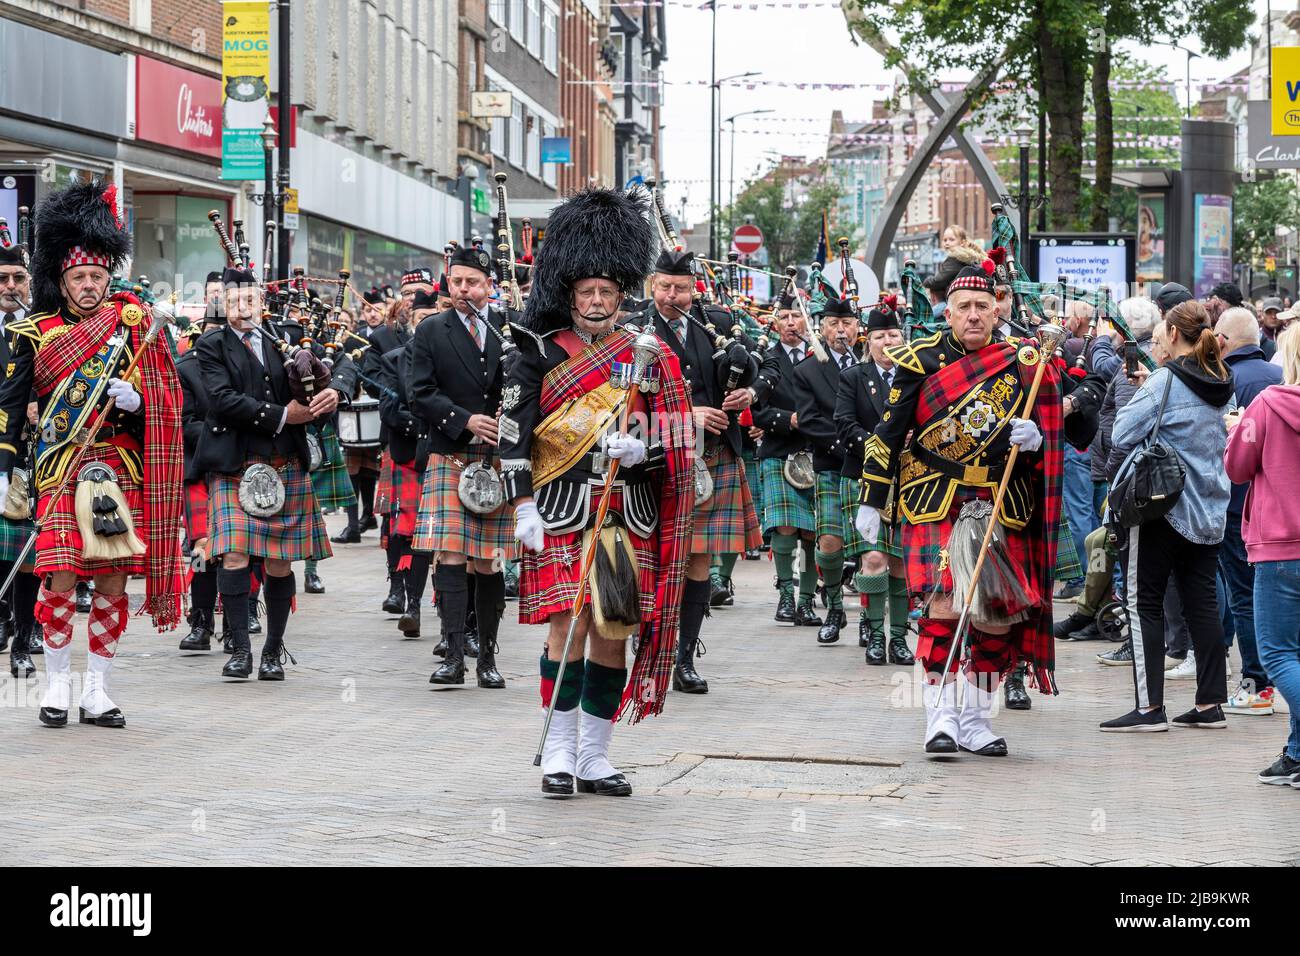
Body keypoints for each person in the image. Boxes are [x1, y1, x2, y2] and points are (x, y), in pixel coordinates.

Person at [499, 186, 693, 797]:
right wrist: (521, 501)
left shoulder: (650, 352)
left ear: (622, 293)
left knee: (614, 628)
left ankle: (595, 754)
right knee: (569, 626)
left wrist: (644, 450)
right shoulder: (534, 352)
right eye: (587, 292)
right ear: (569, 293)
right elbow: (512, 432)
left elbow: (679, 434)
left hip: (624, 509)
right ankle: (558, 749)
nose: (597, 301)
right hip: (560, 509)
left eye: (607, 292)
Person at [855, 258, 1065, 757]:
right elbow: (887, 437)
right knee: (946, 606)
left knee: (995, 613)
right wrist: (872, 498)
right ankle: (940, 716)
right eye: (964, 307)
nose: (974, 315)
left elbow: (1059, 431)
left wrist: (1035, 439)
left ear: (997, 312)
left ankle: (974, 719)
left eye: (983, 307)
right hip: (936, 498)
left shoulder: (1024, 364)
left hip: (999, 499)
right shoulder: (918, 359)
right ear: (946, 313)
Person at [0, 180, 185, 727]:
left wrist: (140, 400)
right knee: (59, 573)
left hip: (118, 468)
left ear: (110, 277)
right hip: (60, 469)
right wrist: (4, 465)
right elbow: (11, 409)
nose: (88, 286)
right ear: (62, 279)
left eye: (97, 277)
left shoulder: (134, 331)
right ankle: (58, 683)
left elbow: (172, 404)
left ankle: (97, 688)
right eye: (79, 277)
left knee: (110, 578)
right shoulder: (34, 332)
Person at [624, 250, 765, 695]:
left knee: (699, 561)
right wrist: (689, 416)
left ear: (693, 288)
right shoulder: (633, 332)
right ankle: (649, 646)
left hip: (713, 459)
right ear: (652, 285)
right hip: (655, 460)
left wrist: (750, 391)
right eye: (664, 287)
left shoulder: (718, 324)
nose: (672, 296)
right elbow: (626, 412)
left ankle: (684, 657)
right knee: (654, 559)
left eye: (680, 288)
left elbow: (769, 362)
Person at [194, 265, 343, 682]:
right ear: (224, 303)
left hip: (285, 464)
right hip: (236, 466)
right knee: (235, 555)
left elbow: (313, 386)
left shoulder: (287, 341)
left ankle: (273, 650)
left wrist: (332, 394)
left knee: (280, 563)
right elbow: (222, 400)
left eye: (251, 298)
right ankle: (240, 648)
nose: (244, 306)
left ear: (262, 302)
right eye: (235, 299)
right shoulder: (212, 345)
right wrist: (282, 415)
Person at [1101, 300, 1234, 732]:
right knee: (1203, 604)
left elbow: (1122, 431)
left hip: (1162, 505)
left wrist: (1146, 390)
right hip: (1210, 505)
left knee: (1144, 604)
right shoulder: (1220, 378)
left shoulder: (1164, 380)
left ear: (1173, 335)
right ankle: (1211, 702)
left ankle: (1148, 707)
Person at [408, 245, 514, 689]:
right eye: (456, 282)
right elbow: (420, 392)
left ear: (489, 285)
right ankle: (453, 655)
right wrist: (463, 419)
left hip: (494, 458)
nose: (463, 290)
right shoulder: (432, 331)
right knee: (450, 554)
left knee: (489, 561)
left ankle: (487, 658)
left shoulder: (510, 330)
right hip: (451, 453)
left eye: (472, 282)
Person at [1225, 325, 1300, 785]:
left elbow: (1235, 467)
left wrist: (1237, 429)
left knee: (1276, 655)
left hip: (1279, 544)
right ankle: (1296, 752)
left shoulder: (1269, 404)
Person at [835, 296, 913, 665]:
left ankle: (898, 639)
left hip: (909, 481)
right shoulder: (853, 377)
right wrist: (878, 447)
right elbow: (844, 422)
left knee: (898, 563)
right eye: (881, 335)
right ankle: (874, 634)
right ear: (868, 340)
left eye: (894, 334)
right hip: (865, 478)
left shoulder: (916, 376)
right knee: (874, 557)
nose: (888, 342)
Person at [1213, 306, 1282, 715]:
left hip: (1239, 502)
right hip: (1277, 506)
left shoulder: (1228, 380)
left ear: (1224, 340)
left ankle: (1257, 681)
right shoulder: (1280, 378)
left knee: (1244, 594)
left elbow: (1230, 455)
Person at [791, 296, 865, 647]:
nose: (841, 330)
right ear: (821, 328)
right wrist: (850, 444)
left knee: (871, 546)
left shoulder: (871, 363)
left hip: (869, 466)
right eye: (834, 323)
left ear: (857, 327)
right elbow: (809, 420)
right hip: (832, 464)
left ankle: (870, 615)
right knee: (830, 542)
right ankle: (835, 606)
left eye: (847, 323)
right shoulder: (807, 371)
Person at [751, 294, 821, 627]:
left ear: (807, 320)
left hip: (816, 452)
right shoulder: (766, 358)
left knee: (810, 533)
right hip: (779, 450)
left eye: (797, 315)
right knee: (785, 527)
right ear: (775, 323)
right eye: (785, 316)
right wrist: (788, 420)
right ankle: (784, 596)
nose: (791, 322)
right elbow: (756, 411)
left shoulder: (820, 357)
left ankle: (806, 600)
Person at [375, 288, 438, 638]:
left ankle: (428, 605)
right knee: (406, 531)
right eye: (420, 320)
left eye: (432, 319)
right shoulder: (394, 359)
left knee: (434, 538)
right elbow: (388, 410)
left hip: (441, 453)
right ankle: (405, 596)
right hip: (408, 453)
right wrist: (425, 425)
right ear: (410, 323)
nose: (426, 325)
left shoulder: (449, 356)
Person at [0, 229, 41, 679]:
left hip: (31, 456)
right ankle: (3, 619)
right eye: (3, 278)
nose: (11, 286)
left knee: (28, 550)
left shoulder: (43, 330)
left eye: (19, 278)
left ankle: (24, 638)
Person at [176, 303, 225, 653]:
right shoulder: (187, 368)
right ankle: (201, 621)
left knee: (242, 549)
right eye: (212, 327)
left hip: (241, 468)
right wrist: (224, 432)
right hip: (201, 468)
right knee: (201, 551)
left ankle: (244, 617)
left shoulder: (246, 365)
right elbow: (185, 422)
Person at [924, 225, 985, 301]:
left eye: (951, 240)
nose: (947, 243)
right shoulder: (970, 258)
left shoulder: (954, 259)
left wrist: (926, 281)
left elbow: (938, 281)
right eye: (945, 240)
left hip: (957, 300)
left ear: (962, 243)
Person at [1257, 296, 1282, 361]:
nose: (1273, 316)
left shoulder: (1290, 335)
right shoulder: (1257, 336)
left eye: (1277, 312)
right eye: (1269, 312)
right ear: (1262, 314)